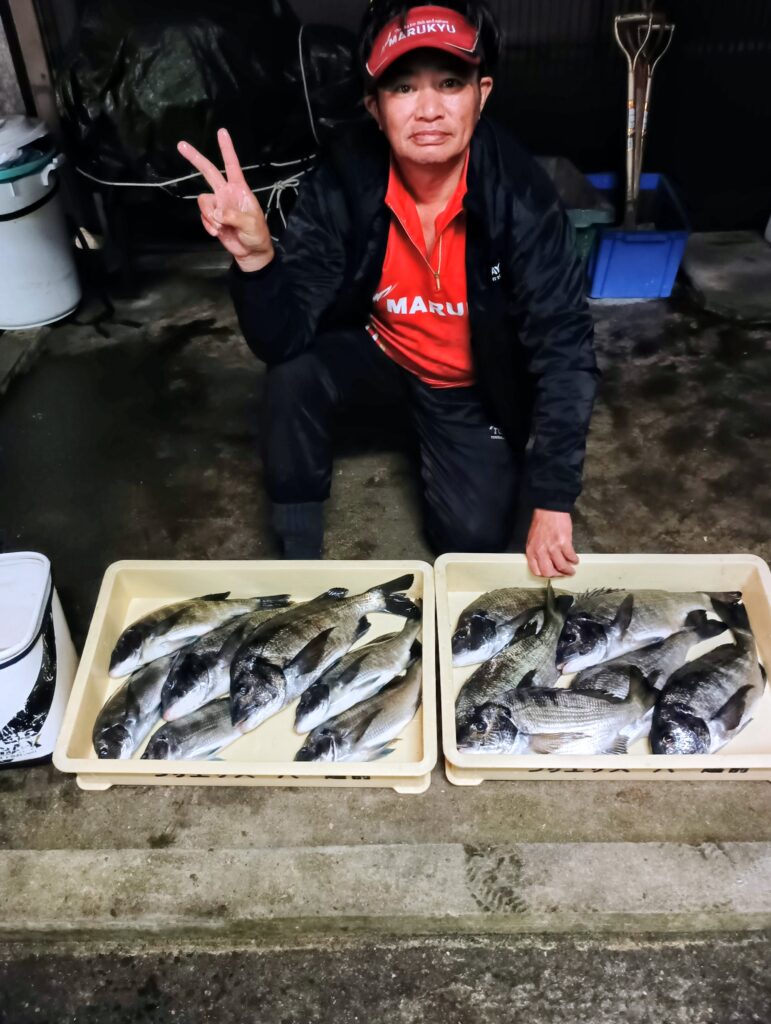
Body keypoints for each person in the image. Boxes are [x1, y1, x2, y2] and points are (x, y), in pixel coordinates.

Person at [178, 1, 599, 577]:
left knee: (472, 541)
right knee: (294, 372)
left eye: (450, 83)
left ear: (482, 93)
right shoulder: (344, 179)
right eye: (403, 87)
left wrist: (552, 498)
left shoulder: (520, 196)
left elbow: (565, 348)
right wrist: (258, 261)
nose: (428, 109)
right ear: (375, 108)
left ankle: (435, 436)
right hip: (380, 353)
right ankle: (297, 563)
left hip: (464, 386)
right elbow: (281, 337)